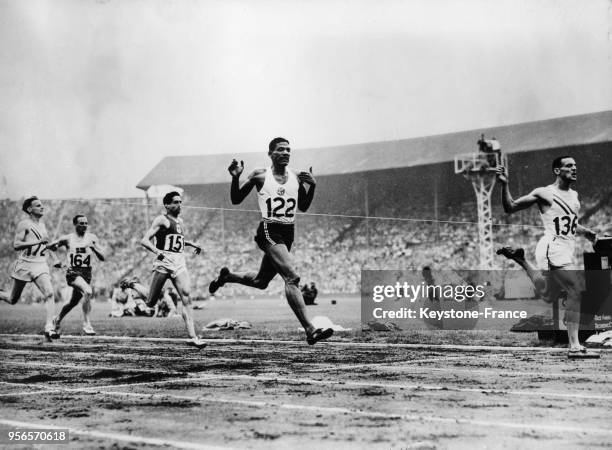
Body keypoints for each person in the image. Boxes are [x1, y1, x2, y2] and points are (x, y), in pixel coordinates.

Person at [208, 137, 333, 345]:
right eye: (280, 150)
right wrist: (235, 178)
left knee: (261, 282)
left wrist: (313, 186)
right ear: (270, 154)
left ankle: (227, 277)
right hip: (268, 229)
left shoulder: (296, 177)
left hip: (288, 232)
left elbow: (303, 206)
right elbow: (236, 199)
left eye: (288, 150)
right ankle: (310, 329)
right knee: (292, 277)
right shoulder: (260, 175)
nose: (285, 153)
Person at [495, 157, 600, 358]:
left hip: (564, 248)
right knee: (575, 289)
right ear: (557, 170)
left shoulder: (575, 196)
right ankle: (575, 346)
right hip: (552, 247)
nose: (574, 168)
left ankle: (521, 260)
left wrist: (587, 232)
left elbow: (569, 224)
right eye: (569, 166)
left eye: (576, 165)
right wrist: (505, 184)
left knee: (548, 294)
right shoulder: (545, 192)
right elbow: (510, 206)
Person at [141, 191, 206, 348]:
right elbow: (144, 240)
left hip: (178, 261)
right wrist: (157, 252)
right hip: (164, 262)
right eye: (176, 202)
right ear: (167, 205)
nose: (179, 205)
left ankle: (192, 336)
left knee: (187, 296)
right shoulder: (161, 219)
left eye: (180, 202)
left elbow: (177, 241)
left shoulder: (181, 221)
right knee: (150, 302)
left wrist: (192, 244)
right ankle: (133, 285)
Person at [0, 197, 56, 340]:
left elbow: (45, 245)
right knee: (12, 299)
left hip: (40, 264)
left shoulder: (42, 225)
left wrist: (53, 250)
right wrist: (38, 241)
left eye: (42, 205)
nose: (42, 207)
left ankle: (49, 328)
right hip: (25, 264)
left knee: (49, 293)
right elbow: (16, 245)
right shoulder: (24, 224)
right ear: (29, 209)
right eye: (38, 206)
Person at [46, 215, 105, 337]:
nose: (84, 225)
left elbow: (103, 257)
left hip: (87, 273)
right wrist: (56, 260)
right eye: (81, 223)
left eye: (86, 223)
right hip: (73, 272)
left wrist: (93, 248)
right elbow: (50, 247)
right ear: (75, 224)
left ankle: (57, 320)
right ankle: (87, 324)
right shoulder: (67, 238)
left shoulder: (92, 238)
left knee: (73, 302)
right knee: (88, 292)